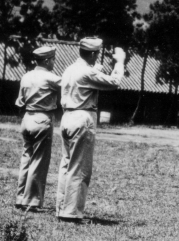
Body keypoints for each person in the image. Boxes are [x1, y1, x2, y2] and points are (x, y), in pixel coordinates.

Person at [55, 38, 125, 222]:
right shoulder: (86, 72)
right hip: (82, 117)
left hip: (67, 117)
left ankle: (61, 207)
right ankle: (71, 212)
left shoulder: (70, 69)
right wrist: (119, 62)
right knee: (80, 168)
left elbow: (93, 73)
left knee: (66, 165)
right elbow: (115, 82)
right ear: (93, 54)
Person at [14, 45, 61, 212]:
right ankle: (32, 200)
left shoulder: (26, 76)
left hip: (27, 118)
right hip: (42, 118)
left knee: (26, 157)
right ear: (47, 60)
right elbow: (69, 87)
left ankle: (20, 198)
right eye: (53, 59)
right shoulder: (51, 78)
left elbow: (20, 102)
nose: (54, 62)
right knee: (39, 161)